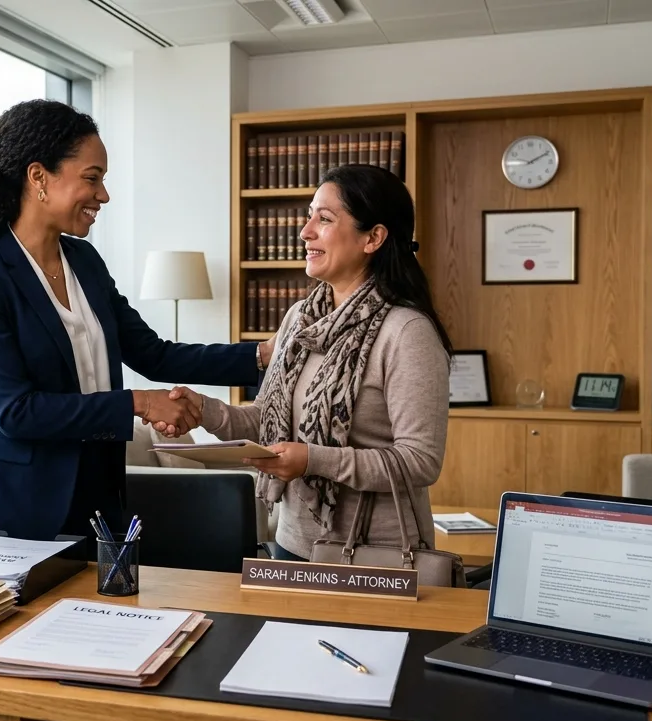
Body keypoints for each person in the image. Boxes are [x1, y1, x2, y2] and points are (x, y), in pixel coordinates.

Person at [0, 99, 272, 542]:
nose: (104, 195)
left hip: (97, 496)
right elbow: (15, 411)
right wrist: (139, 403)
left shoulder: (84, 261)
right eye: (92, 178)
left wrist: (262, 356)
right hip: (13, 507)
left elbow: (152, 354)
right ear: (38, 177)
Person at [168, 164, 452, 561]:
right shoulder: (300, 318)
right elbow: (268, 420)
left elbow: (419, 462)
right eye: (309, 216)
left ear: (373, 237)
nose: (305, 231)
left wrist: (313, 460)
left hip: (375, 556)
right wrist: (204, 411)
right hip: (293, 543)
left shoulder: (407, 332)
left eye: (325, 219)